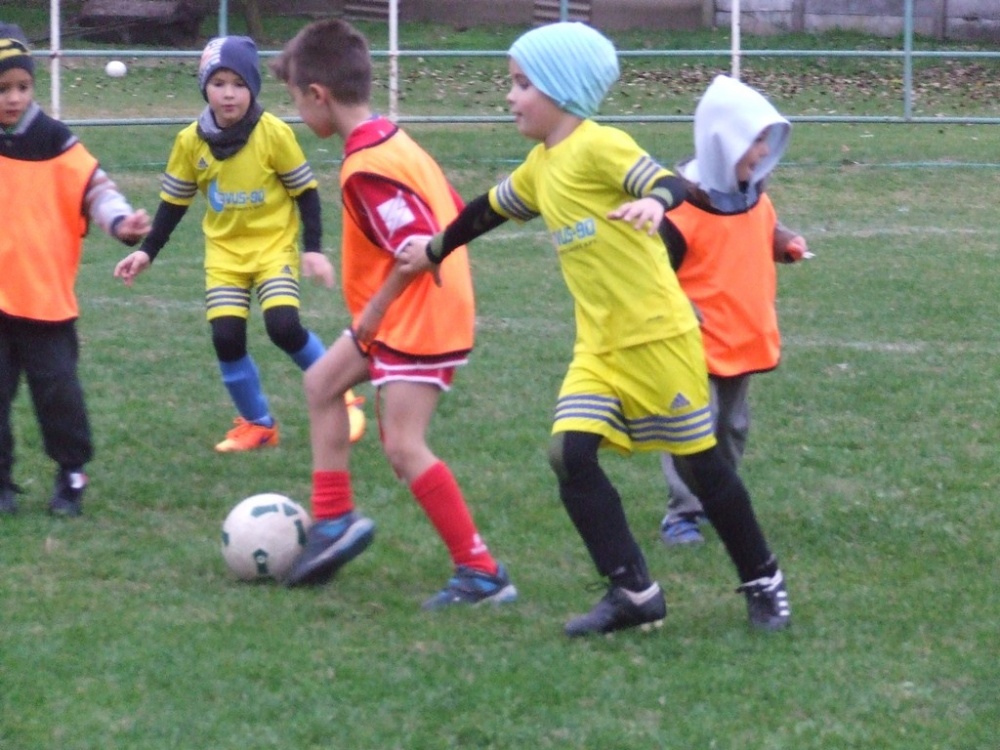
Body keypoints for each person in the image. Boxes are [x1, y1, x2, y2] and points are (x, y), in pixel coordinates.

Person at [398, 22, 791, 635]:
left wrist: (656, 203)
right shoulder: (541, 166)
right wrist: (434, 250)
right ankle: (633, 591)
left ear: (561, 90)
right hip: (600, 347)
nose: (510, 97)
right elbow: (488, 210)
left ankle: (764, 580)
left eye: (522, 84)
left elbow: (670, 182)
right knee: (570, 453)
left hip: (658, 338)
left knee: (702, 468)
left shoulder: (601, 145)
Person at [268, 18, 517, 609]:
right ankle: (333, 519)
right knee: (321, 383)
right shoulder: (393, 140)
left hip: (417, 316)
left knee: (404, 445)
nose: (297, 112)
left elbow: (416, 250)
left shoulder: (367, 167)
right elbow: (451, 209)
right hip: (412, 310)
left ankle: (481, 572)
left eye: (295, 99)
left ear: (318, 95)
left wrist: (376, 313)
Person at [113, 35, 365, 452]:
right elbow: (174, 204)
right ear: (204, 87)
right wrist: (146, 251)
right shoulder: (190, 141)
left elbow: (306, 193)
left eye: (239, 84)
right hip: (225, 257)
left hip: (272, 249)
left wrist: (313, 249)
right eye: (218, 83)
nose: (228, 94)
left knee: (283, 327)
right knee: (227, 338)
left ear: (253, 88)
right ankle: (257, 424)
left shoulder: (273, 133)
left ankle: (343, 397)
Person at [0, 23, 151, 516]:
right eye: (3, 89)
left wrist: (121, 223)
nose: (14, 98)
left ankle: (71, 474)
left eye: (22, 86)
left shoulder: (55, 141)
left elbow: (96, 190)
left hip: (45, 301)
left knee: (58, 396)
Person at [657, 75, 811, 547]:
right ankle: (683, 511)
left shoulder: (753, 196)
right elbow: (651, 271)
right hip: (692, 339)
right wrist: (675, 309)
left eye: (766, 140)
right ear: (723, 140)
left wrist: (784, 244)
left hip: (742, 331)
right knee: (692, 424)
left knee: (731, 425)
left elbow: (761, 230)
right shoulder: (680, 209)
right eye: (754, 141)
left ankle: (717, 496)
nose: (762, 152)